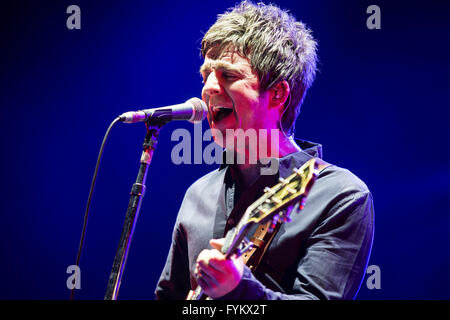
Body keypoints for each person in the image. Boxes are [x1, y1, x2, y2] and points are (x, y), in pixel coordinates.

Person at [155, 0, 374, 300]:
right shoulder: (198, 194)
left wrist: (239, 290)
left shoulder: (340, 195)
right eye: (206, 75)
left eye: (228, 75)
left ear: (278, 94)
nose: (208, 88)